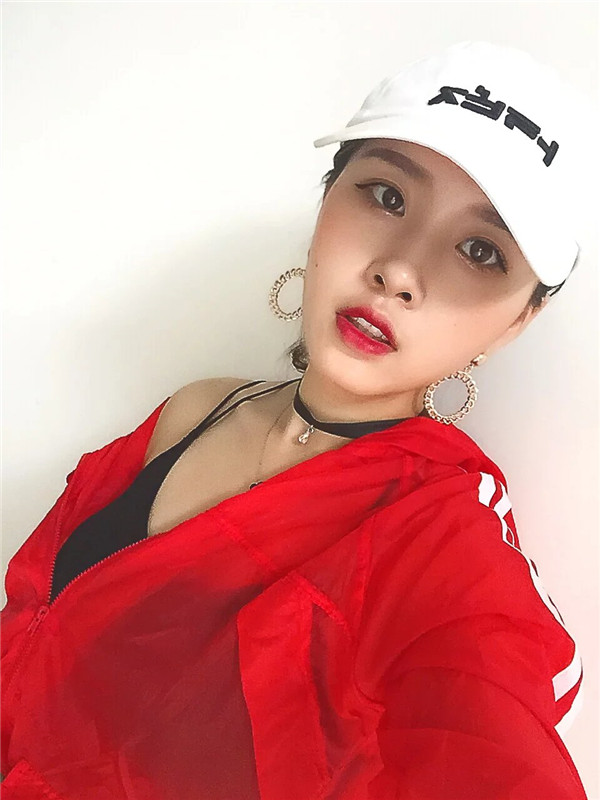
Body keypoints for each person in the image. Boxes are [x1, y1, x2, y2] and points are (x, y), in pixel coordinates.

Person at [1, 40, 594, 799]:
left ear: (516, 321)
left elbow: (489, 738)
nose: (399, 270)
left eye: (480, 250)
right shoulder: (195, 410)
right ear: (326, 198)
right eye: (386, 196)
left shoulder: (441, 534)